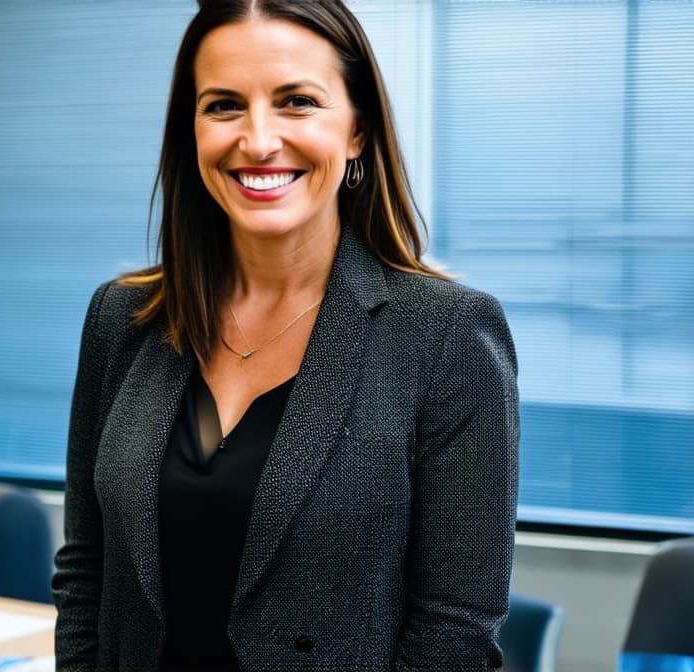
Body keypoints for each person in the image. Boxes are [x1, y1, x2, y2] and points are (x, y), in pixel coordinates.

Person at [52, 0, 519, 670]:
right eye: (223, 105)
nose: (259, 139)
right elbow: (87, 575)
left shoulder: (446, 335)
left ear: (357, 130)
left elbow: (454, 634)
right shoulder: (122, 320)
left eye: (296, 101)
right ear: (191, 130)